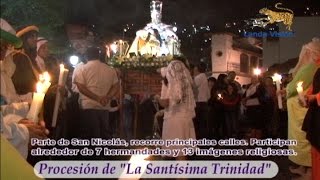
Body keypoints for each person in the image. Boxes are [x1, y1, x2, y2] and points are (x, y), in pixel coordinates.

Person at [283, 38, 320, 178]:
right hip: (307, 108)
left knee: (307, 141)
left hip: (308, 110)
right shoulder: (314, 67)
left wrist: (312, 97)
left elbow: (295, 87)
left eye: (306, 53)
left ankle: (310, 172)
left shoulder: (312, 67)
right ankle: (307, 170)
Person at [74, 46, 119, 140]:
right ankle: (104, 154)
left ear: (86, 56)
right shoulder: (110, 69)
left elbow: (81, 87)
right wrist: (107, 97)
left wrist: (97, 98)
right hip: (104, 106)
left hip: (88, 106)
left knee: (90, 136)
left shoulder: (81, 69)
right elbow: (116, 86)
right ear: (98, 56)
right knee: (104, 135)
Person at [156, 59, 196, 160]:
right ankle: (182, 175)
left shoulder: (167, 83)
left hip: (173, 120)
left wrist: (156, 97)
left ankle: (181, 175)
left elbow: (165, 103)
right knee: (182, 154)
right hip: (186, 119)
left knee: (179, 154)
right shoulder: (186, 84)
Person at [2, 24, 39, 102]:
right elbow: (23, 86)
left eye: (5, 46)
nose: (36, 39)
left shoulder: (29, 58)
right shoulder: (19, 57)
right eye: (31, 36)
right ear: (23, 39)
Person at [302, 67, 320, 180]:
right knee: (316, 152)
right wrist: (306, 97)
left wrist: (316, 97)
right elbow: (315, 87)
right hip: (316, 115)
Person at [193, 62, 210, 139]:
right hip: (204, 103)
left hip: (198, 103)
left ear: (197, 69)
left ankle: (199, 141)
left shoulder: (198, 77)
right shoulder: (204, 78)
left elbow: (192, 88)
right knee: (203, 123)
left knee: (198, 124)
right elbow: (208, 94)